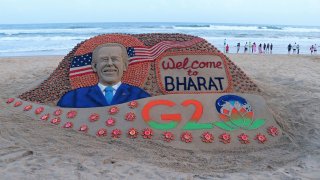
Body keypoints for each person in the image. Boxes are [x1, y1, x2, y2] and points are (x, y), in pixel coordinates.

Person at [58, 43, 150, 108]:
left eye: (115, 59)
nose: (110, 64)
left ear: (125, 66)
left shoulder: (140, 96)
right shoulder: (73, 97)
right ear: (94, 66)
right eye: (104, 59)